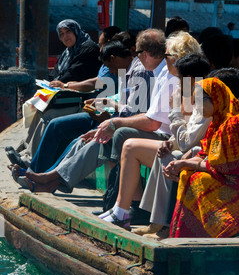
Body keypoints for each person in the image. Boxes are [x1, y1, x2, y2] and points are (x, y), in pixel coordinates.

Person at [13, 29, 177, 193]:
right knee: (84, 138)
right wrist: (109, 110)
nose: (136, 57)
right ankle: (49, 178)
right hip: (131, 121)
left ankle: (50, 179)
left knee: (101, 138)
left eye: (168, 55)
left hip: (154, 131)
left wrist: (113, 121)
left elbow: (150, 120)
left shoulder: (158, 73)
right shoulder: (157, 71)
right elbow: (137, 108)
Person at [135, 67, 239, 239]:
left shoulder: (236, 122)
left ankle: (220, 229)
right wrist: (182, 164)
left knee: (198, 180)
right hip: (237, 178)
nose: (196, 106)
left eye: (200, 100)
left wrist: (183, 163)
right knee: (187, 174)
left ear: (216, 98)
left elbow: (221, 164)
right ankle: (183, 232)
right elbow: (207, 151)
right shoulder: (218, 121)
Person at [97, 50, 209, 229]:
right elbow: (184, 134)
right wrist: (169, 142)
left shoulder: (204, 99)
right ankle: (121, 209)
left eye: (180, 78)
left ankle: (132, 215)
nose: (178, 82)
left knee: (134, 146)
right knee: (129, 145)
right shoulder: (190, 93)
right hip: (181, 146)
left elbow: (189, 141)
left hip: (195, 154)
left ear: (189, 78)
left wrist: (175, 112)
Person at [10, 39, 152, 176]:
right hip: (106, 115)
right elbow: (121, 99)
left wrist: (109, 110)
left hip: (114, 120)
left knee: (78, 141)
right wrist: (103, 103)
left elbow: (134, 112)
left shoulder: (138, 73)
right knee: (55, 125)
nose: (110, 71)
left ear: (113, 59)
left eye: (109, 67)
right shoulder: (123, 71)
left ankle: (42, 177)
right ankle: (36, 172)